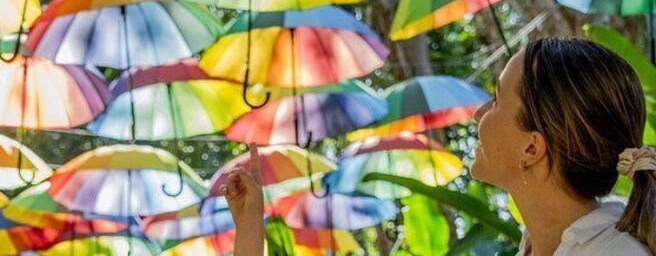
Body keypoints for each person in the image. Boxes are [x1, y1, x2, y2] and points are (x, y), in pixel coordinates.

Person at [223, 38, 656, 255]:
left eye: (498, 99)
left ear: (532, 148)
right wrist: (250, 234)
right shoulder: (549, 243)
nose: (478, 113)